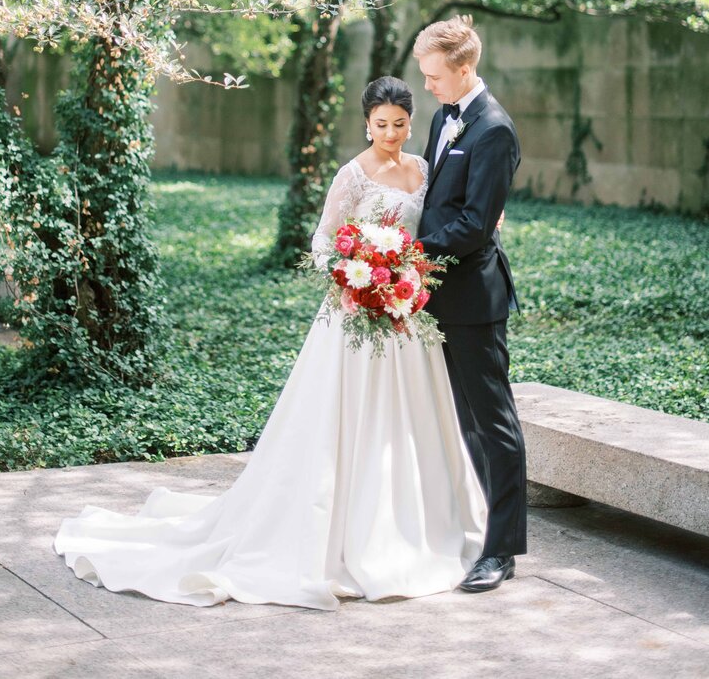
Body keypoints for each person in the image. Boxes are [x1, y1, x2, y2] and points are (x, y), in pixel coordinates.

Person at [54, 76, 487, 611]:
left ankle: (414, 526)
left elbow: (437, 227)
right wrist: (352, 277)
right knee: (345, 419)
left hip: (404, 312)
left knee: (411, 419)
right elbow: (325, 239)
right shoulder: (352, 174)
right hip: (354, 311)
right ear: (365, 123)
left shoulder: (423, 169)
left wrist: (403, 276)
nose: (391, 134)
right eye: (381, 125)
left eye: (400, 124)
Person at [414, 15, 527, 593]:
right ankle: (483, 528)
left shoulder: (494, 130)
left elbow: (475, 225)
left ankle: (502, 551)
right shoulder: (444, 117)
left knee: (494, 424)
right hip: (437, 295)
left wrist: (404, 251)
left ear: (464, 69)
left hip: (474, 300)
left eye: (434, 76)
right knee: (465, 422)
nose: (427, 86)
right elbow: (439, 200)